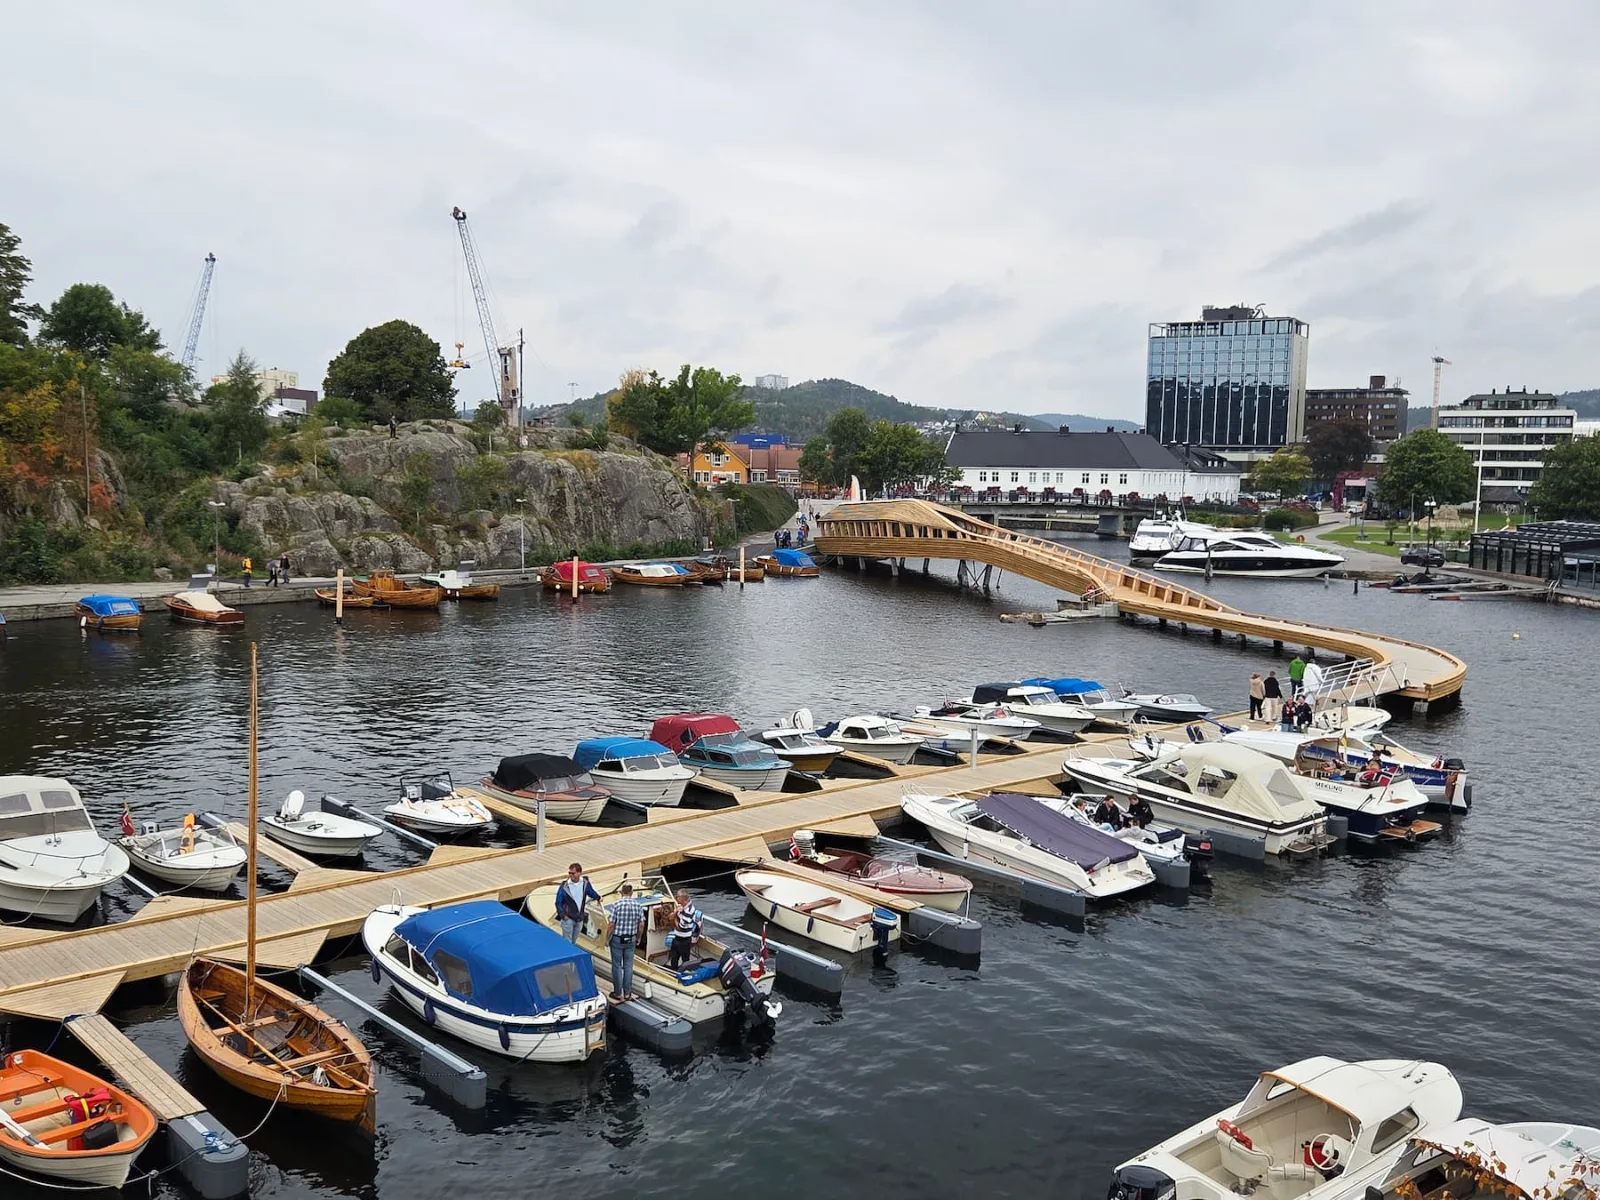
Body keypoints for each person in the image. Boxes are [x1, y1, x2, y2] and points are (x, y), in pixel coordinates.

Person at [605, 883, 645, 1002]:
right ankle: (627, 993)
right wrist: (638, 937)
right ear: (632, 892)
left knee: (616, 966)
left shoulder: (616, 905)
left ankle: (618, 993)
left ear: (622, 892)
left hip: (617, 939)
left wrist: (607, 939)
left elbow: (611, 924)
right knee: (628, 965)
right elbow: (641, 924)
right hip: (631, 939)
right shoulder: (638, 905)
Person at [554, 862, 601, 943]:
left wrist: (598, 898)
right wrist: (563, 915)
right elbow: (558, 902)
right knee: (567, 942)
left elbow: (590, 892)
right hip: (568, 918)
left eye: (573, 873)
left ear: (579, 873)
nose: (571, 875)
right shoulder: (565, 886)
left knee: (574, 941)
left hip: (579, 918)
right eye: (569, 873)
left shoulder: (585, 883)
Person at [667, 889, 702, 968]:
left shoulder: (689, 911)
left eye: (677, 897)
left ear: (683, 899)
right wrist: (676, 912)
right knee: (674, 958)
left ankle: (684, 974)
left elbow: (680, 927)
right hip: (677, 938)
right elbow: (670, 918)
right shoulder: (680, 906)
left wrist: (675, 917)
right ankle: (674, 972)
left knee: (685, 960)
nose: (676, 898)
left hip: (684, 940)